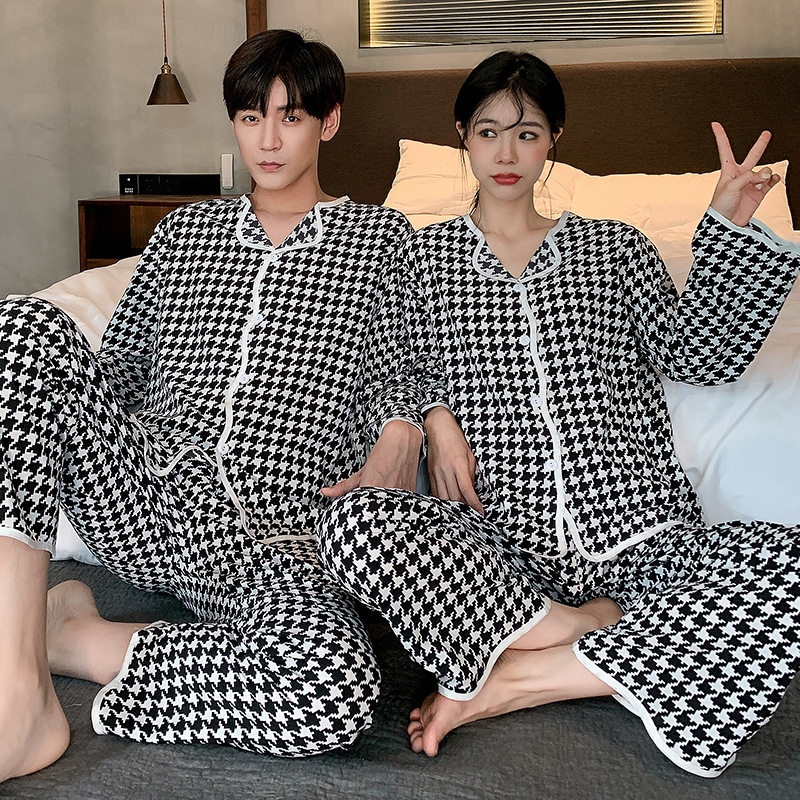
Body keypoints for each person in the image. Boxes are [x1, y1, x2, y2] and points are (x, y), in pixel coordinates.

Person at [318, 50, 800, 778]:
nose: (506, 154)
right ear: (462, 135)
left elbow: (699, 358)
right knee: (350, 521)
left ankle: (516, 677)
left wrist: (725, 226)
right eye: (488, 132)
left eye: (527, 134)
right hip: (499, 548)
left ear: (554, 140)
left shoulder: (614, 249)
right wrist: (437, 417)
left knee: (785, 564)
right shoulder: (420, 258)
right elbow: (388, 364)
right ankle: (594, 633)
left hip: (644, 537)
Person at [0, 29, 421, 783]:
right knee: (24, 323)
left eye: (291, 117)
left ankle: (75, 639)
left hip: (282, 536)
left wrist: (404, 430)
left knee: (334, 687)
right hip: (150, 498)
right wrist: (70, 421)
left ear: (329, 121)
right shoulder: (185, 232)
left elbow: (408, 362)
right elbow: (120, 367)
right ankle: (18, 694)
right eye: (251, 117)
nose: (268, 140)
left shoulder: (382, 238)